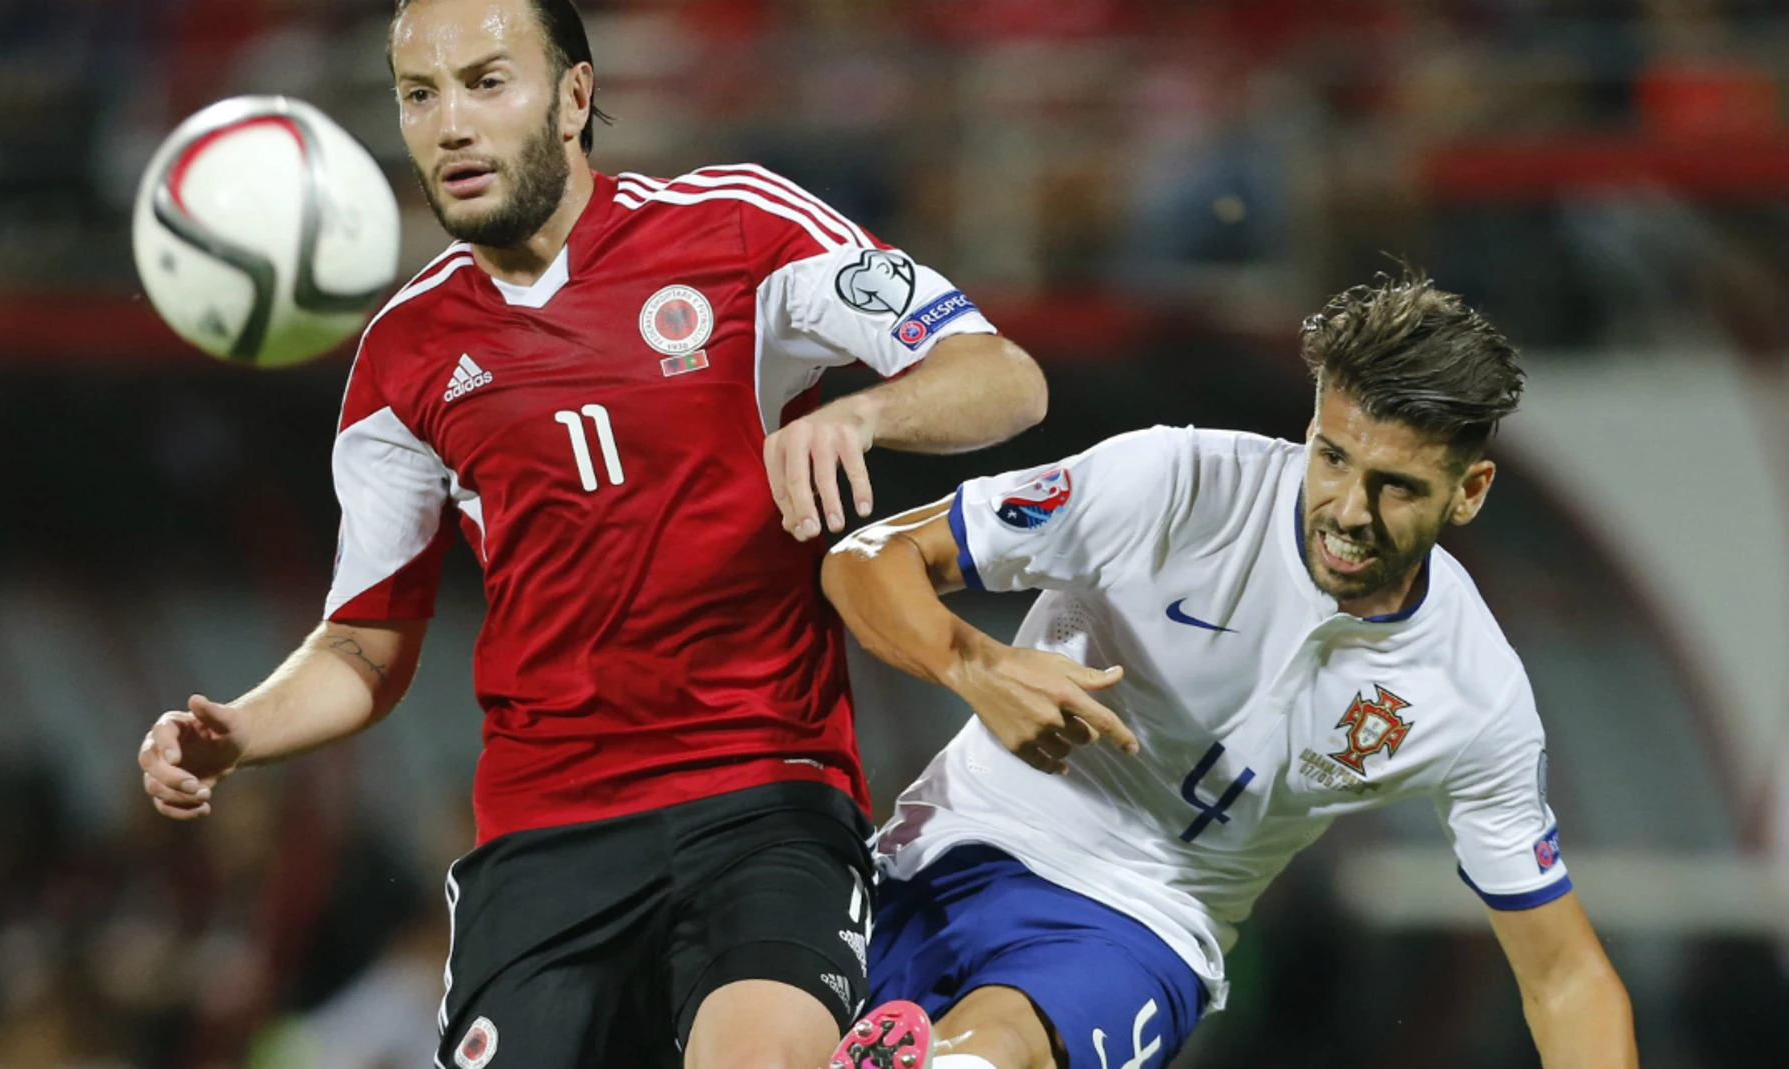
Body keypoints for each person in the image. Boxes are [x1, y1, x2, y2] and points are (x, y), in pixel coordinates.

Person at [134, 2, 1051, 1068]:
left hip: (763, 793)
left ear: (574, 97)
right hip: (545, 836)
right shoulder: (402, 358)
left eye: (487, 81)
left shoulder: (741, 230)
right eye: (420, 95)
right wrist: (240, 731)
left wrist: (865, 410)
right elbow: (361, 645)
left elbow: (1002, 378)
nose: (451, 125)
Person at [821, 274, 1638, 1069]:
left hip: (1148, 919)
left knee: (1002, 1046)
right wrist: (978, 666)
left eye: (1396, 488)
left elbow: (1566, 976)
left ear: (1470, 492)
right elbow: (868, 559)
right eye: (1334, 458)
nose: (1349, 510)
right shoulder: (1179, 484)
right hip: (949, 844)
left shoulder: (1473, 692)